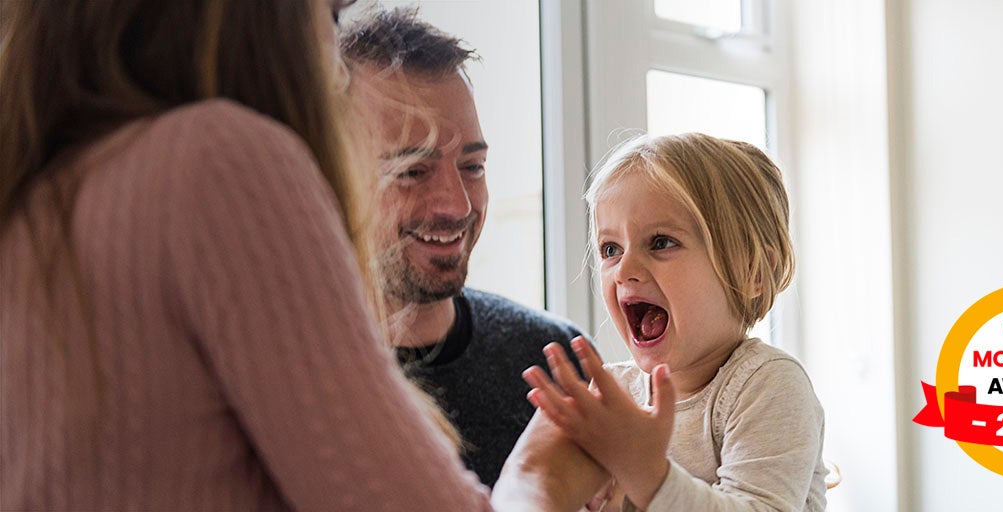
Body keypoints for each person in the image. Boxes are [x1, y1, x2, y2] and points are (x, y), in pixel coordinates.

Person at [0, 0, 604, 510]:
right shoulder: (215, 160)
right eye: (330, 10)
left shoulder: (37, 197)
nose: (330, 54)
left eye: (472, 165)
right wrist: (543, 472)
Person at [339, 7, 585, 486]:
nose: (456, 205)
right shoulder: (290, 379)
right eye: (412, 171)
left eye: (472, 167)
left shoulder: (558, 363)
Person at [525, 133, 829, 511]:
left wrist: (646, 474)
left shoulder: (766, 385)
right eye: (610, 249)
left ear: (753, 272)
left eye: (661, 242)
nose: (625, 270)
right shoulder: (616, 394)